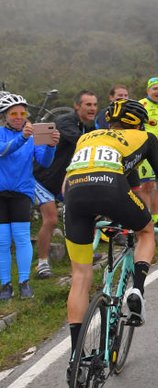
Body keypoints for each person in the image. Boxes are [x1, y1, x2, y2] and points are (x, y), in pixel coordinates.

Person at [63, 99, 158, 360]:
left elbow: (67, 185)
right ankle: (137, 289)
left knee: (80, 276)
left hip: (74, 195)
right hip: (111, 188)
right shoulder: (145, 137)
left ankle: (75, 358)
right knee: (146, 231)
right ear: (138, 122)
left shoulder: (88, 137)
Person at [0, 93, 59, 300]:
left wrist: (51, 146)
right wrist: (22, 138)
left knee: (22, 237)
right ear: (4, 116)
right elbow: (2, 150)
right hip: (1, 193)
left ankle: (24, 282)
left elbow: (44, 162)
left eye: (22, 113)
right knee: (3, 240)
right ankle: (5, 285)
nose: (18, 117)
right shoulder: (2, 134)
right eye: (13, 113)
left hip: (22, 192)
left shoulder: (33, 136)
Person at [33, 90, 97, 280]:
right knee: (51, 220)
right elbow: (80, 142)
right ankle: (42, 265)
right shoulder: (66, 122)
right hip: (41, 179)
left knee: (83, 211)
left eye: (94, 104)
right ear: (77, 106)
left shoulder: (88, 126)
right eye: (88, 105)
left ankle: (81, 255)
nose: (92, 108)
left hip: (62, 180)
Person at [138, 77, 158, 218]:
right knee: (147, 186)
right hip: (146, 151)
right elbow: (135, 128)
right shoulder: (141, 105)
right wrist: (151, 141)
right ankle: (146, 218)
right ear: (148, 90)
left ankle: (156, 218)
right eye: (155, 88)